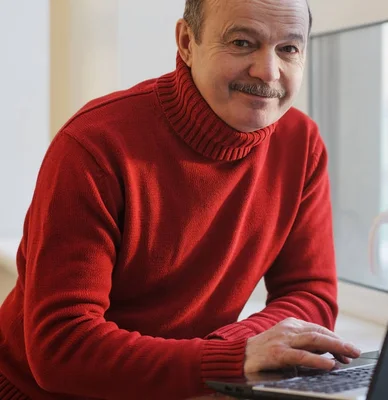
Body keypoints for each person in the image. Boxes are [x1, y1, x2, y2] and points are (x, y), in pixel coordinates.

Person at [0, 0, 362, 398]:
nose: (268, 71)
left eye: (289, 49)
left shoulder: (301, 142)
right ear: (187, 42)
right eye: (242, 42)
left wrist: (232, 350)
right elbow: (61, 347)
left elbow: (310, 294)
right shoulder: (94, 146)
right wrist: (231, 357)